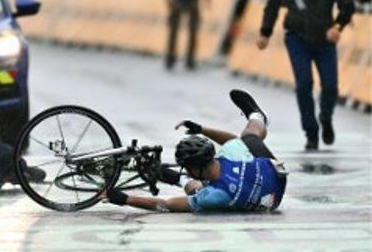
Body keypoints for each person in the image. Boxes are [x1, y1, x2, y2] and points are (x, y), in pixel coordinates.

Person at [108, 89, 287, 213]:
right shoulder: (229, 155)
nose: (187, 171)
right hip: (276, 174)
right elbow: (232, 141)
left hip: (271, 199)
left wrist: (125, 199)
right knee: (249, 137)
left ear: (195, 168)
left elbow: (166, 205)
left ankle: (173, 177)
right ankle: (258, 117)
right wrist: (201, 129)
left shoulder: (214, 196)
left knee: (199, 190)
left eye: (187, 168)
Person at [258, 0, 355, 149]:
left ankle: (326, 118)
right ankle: (311, 132)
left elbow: (347, 3)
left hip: (324, 38)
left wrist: (338, 26)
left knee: (330, 86)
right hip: (296, 37)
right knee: (304, 85)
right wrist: (265, 32)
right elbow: (273, 4)